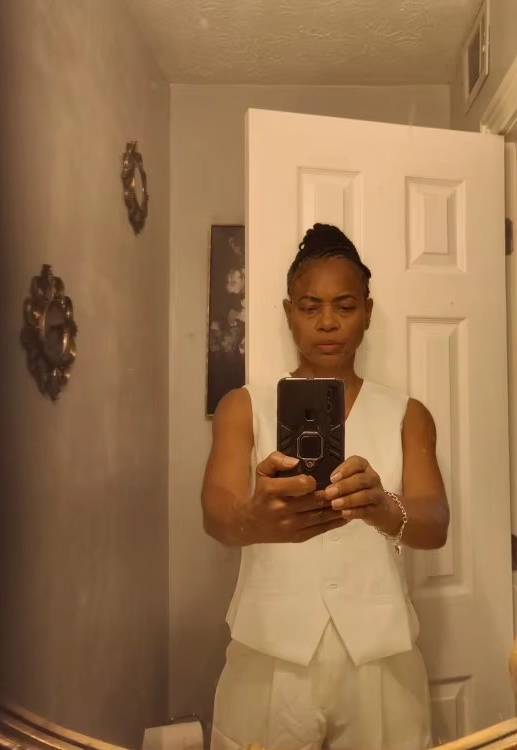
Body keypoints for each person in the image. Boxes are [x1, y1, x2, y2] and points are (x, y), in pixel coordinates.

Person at [202, 223, 450, 750]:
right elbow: (215, 513)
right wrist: (252, 520)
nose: (328, 322)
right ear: (288, 312)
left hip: (379, 658)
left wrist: (384, 508)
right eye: (310, 307)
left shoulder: (407, 414)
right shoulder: (244, 405)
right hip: (269, 652)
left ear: (367, 311)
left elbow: (435, 526)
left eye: (345, 306)